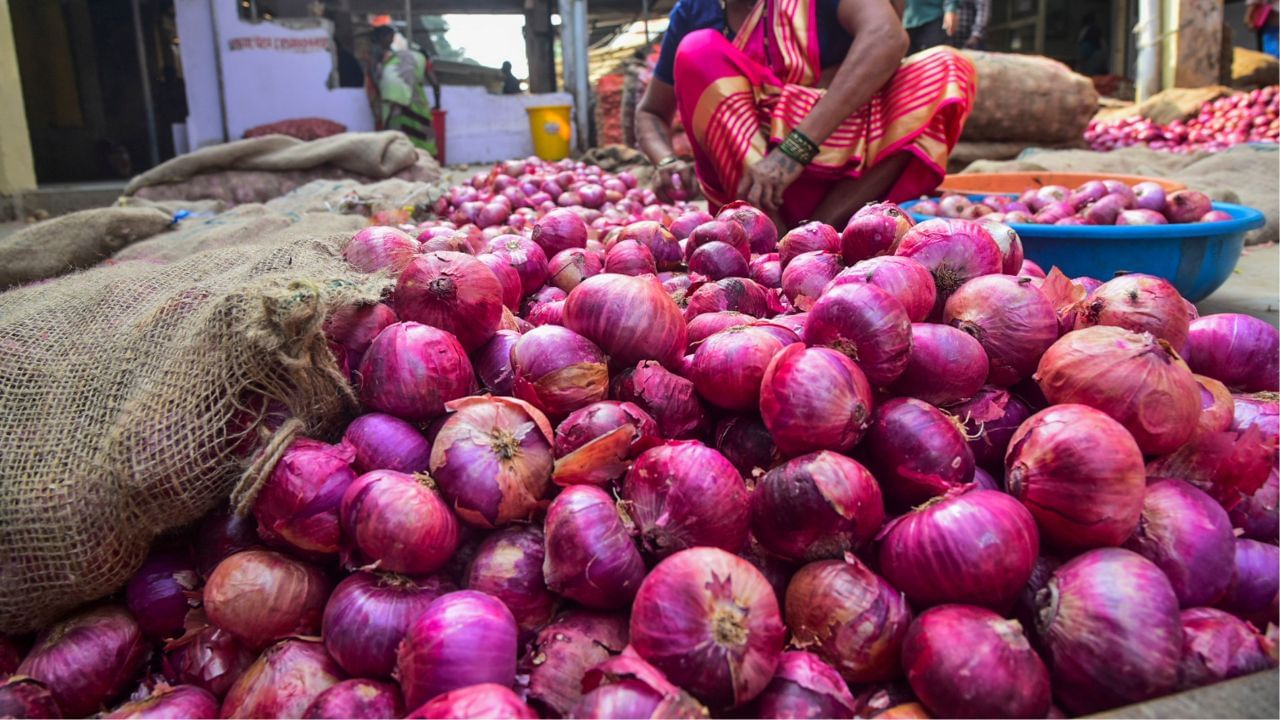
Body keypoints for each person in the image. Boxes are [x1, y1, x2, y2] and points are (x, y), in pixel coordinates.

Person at [635, 0, 975, 229]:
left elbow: (886, 36)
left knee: (944, 68)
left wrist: (794, 150)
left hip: (843, 168)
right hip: (752, 182)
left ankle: (820, 232)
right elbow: (650, 112)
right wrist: (666, 161)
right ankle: (768, 239)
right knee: (698, 50)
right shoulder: (694, 10)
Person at [368, 25, 442, 154]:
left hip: (388, 89)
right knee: (422, 119)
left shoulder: (398, 55)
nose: (392, 39)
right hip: (401, 87)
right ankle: (427, 154)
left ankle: (397, 153)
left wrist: (382, 91)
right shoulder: (423, 59)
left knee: (396, 123)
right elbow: (435, 84)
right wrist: (437, 105)